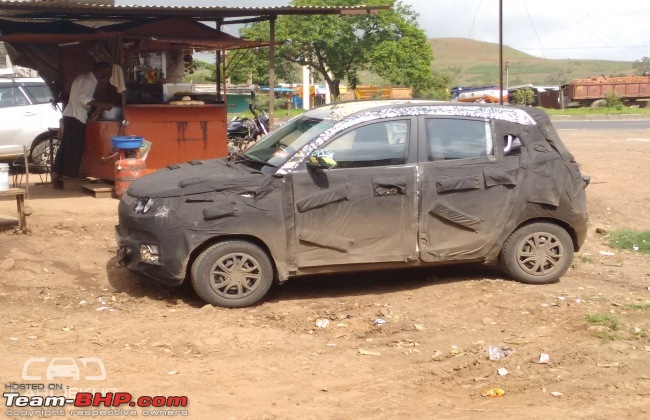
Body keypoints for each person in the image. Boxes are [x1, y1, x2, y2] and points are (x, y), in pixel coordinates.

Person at [53, 61, 114, 178]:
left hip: (72, 115)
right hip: (76, 115)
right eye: (105, 73)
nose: (105, 77)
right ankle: (69, 174)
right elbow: (82, 98)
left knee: (68, 145)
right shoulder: (88, 80)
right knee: (74, 146)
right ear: (100, 70)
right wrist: (102, 104)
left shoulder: (85, 78)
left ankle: (59, 171)